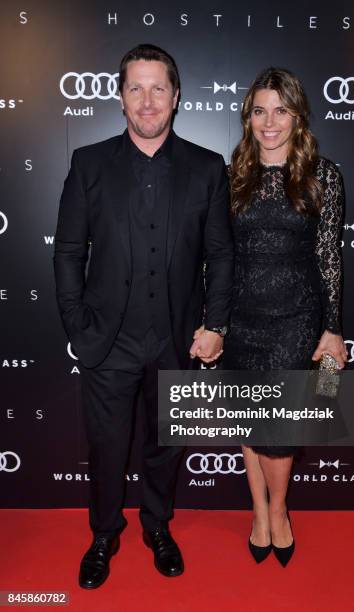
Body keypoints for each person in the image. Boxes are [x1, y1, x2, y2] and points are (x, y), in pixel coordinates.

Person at [54, 43, 233, 589]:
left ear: (176, 97)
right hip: (107, 341)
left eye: (159, 88)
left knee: (164, 447)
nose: (148, 100)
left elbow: (221, 254)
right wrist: (77, 324)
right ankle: (103, 534)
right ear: (121, 98)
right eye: (136, 88)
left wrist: (215, 325)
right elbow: (67, 251)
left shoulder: (207, 168)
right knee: (107, 448)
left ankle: (157, 526)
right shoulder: (88, 163)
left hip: (177, 340)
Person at [222, 67, 348, 566]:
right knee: (250, 423)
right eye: (259, 111)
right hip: (241, 316)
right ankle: (259, 512)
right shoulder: (232, 174)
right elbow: (219, 255)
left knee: (279, 433)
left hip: (296, 318)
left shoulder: (324, 175)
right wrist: (214, 321)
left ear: (298, 117)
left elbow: (331, 256)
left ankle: (280, 510)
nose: (269, 122)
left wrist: (333, 327)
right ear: (247, 117)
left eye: (281, 110)